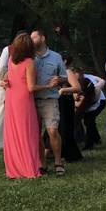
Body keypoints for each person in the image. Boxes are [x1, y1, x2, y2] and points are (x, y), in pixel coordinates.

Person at [31, 29, 73, 176]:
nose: (31, 40)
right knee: (36, 134)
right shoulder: (29, 57)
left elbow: (64, 77)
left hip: (50, 99)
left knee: (52, 131)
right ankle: (42, 163)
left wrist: (59, 80)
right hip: (32, 100)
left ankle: (58, 162)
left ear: (42, 38)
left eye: (34, 37)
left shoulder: (56, 57)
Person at [1, 33, 41, 178]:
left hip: (11, 97)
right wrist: (48, 85)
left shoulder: (11, 59)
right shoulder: (29, 62)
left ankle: (14, 168)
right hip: (23, 99)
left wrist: (3, 81)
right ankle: (28, 168)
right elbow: (31, 87)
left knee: (13, 132)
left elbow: (7, 77)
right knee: (27, 133)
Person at [56, 53, 84, 163]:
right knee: (59, 127)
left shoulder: (68, 72)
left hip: (66, 101)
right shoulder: (58, 73)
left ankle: (71, 154)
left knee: (65, 127)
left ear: (65, 61)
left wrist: (63, 90)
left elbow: (77, 88)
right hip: (58, 101)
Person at [80, 70, 106, 149]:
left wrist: (96, 88)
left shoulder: (87, 77)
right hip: (88, 102)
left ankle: (89, 144)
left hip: (99, 101)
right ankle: (96, 139)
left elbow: (102, 81)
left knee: (89, 121)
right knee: (89, 121)